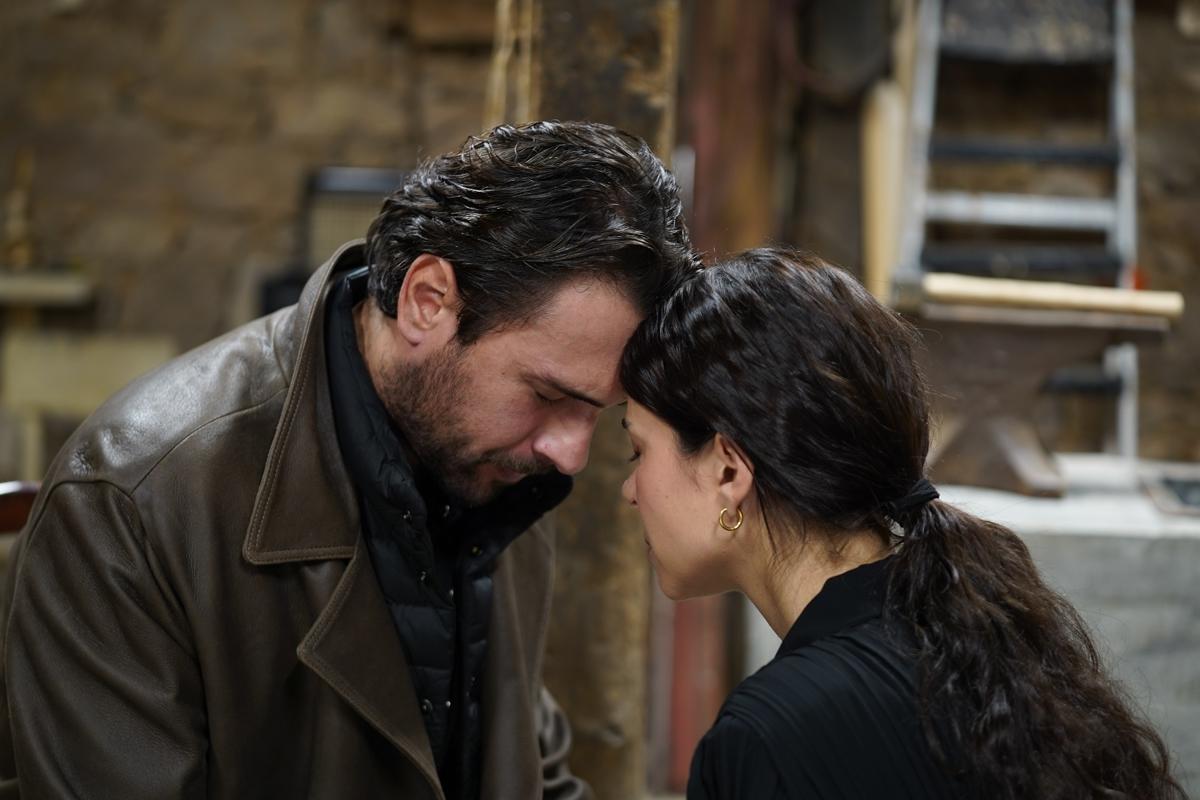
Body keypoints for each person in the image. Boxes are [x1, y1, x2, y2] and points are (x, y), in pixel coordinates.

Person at [0, 120, 696, 799]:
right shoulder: (131, 502)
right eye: (547, 395)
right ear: (428, 302)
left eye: (597, 413)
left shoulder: (497, 471)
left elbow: (525, 766)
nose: (571, 454)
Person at [619, 247, 1186, 799]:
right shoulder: (977, 639)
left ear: (727, 471)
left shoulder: (765, 740)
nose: (630, 491)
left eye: (637, 452)